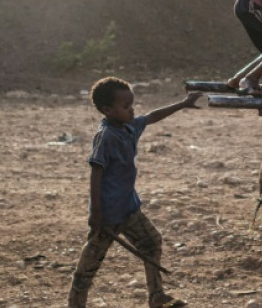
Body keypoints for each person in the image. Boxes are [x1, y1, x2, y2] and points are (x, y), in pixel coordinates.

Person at [68, 77, 203, 308]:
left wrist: (182, 104)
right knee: (87, 268)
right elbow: (96, 173)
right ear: (107, 110)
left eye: (132, 105)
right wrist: (96, 213)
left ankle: (157, 296)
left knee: (151, 243)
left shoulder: (129, 126)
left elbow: (151, 117)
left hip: (129, 209)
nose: (132, 110)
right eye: (126, 106)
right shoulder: (106, 136)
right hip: (108, 215)